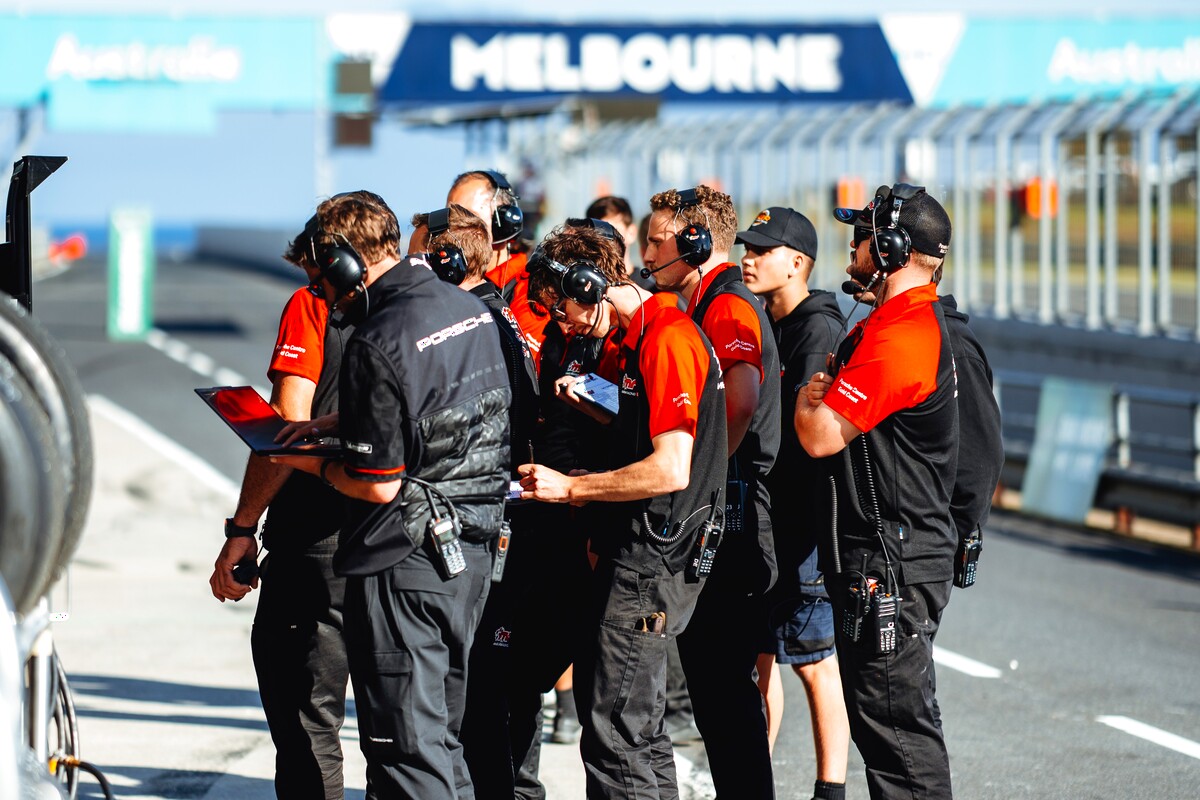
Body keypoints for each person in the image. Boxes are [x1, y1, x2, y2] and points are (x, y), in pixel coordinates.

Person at [272, 190, 511, 800]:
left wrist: (312, 464)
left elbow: (377, 485)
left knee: (405, 751)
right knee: (442, 742)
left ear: (347, 265)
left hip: (405, 562)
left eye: (324, 281)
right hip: (473, 550)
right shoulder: (467, 308)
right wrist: (333, 423)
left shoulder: (375, 339)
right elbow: (436, 407)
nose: (324, 296)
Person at [518, 223, 727, 800]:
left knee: (613, 738)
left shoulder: (666, 338)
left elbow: (671, 468)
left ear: (590, 287)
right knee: (640, 735)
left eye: (561, 312)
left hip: (649, 563)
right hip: (644, 553)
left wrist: (572, 490)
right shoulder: (637, 338)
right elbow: (644, 434)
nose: (563, 327)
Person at [795, 184, 959, 799]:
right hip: (885, 555)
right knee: (884, 724)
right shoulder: (891, 323)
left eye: (862, 235)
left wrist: (814, 395)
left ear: (891, 247)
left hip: (890, 562)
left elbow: (816, 434)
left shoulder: (902, 335)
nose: (854, 247)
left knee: (898, 735)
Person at [641, 184, 780, 799]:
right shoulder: (704, 303)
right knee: (715, 690)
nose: (645, 256)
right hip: (722, 513)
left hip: (730, 519)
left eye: (655, 241)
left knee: (723, 690)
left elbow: (743, 400)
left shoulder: (727, 306)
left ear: (693, 244)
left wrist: (698, 485)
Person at [209, 217, 353, 800]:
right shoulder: (435, 308)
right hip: (414, 536)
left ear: (331, 262)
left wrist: (241, 529)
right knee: (406, 730)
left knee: (306, 720)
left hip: (317, 539)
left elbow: (288, 428)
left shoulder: (311, 304)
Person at [410, 204, 545, 800]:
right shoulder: (490, 312)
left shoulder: (472, 321)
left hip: (481, 521)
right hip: (493, 515)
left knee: (476, 689)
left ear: (448, 258)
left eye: (420, 256)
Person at [739, 206, 851, 800]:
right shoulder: (765, 322)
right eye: (746, 248)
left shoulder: (816, 331)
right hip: (762, 523)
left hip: (802, 527)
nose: (747, 259)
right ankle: (753, 779)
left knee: (813, 659)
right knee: (760, 655)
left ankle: (829, 787)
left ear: (798, 262)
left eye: (762, 250)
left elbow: (807, 438)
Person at [448, 169, 546, 360]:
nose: (453, 228)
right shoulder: (453, 285)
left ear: (504, 222)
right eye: (450, 218)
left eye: (467, 217)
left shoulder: (531, 294)